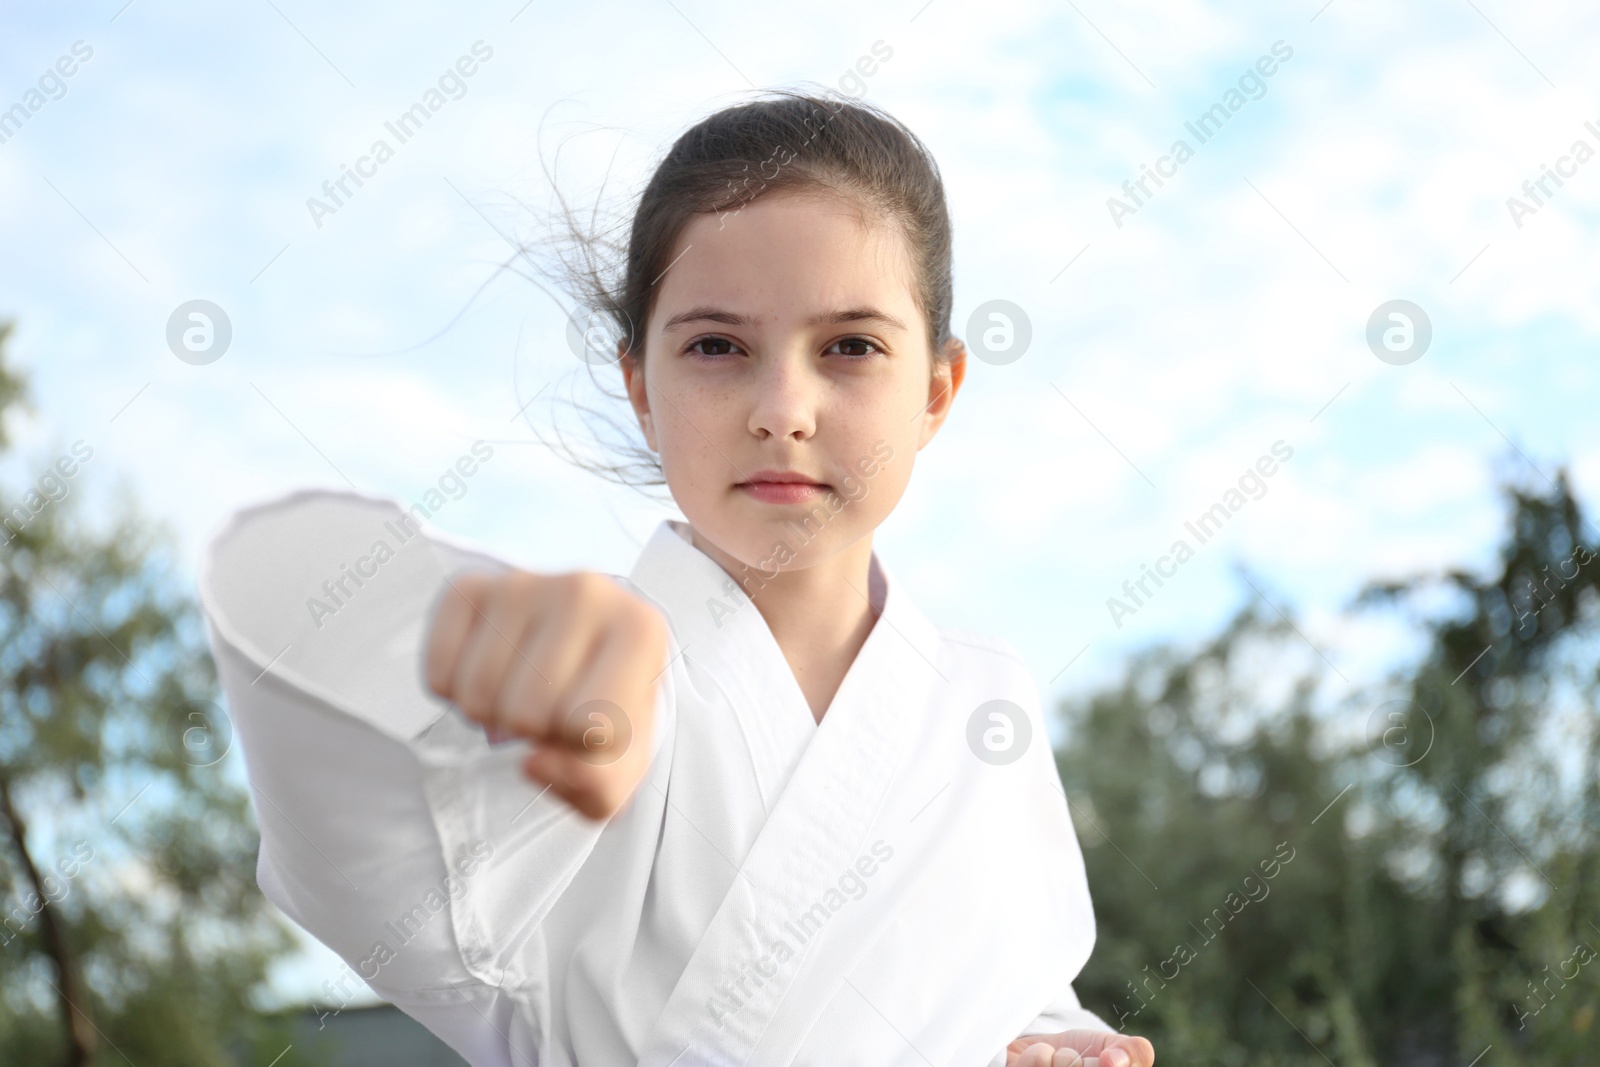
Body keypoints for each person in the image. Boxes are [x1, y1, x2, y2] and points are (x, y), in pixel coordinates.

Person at [199, 88, 1156, 1067]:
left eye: (850, 346)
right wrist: (464, 658)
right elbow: (364, 851)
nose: (782, 408)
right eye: (716, 346)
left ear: (937, 390)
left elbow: (1014, 981)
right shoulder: (577, 683)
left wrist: (1054, 1043)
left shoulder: (985, 700)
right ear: (640, 387)